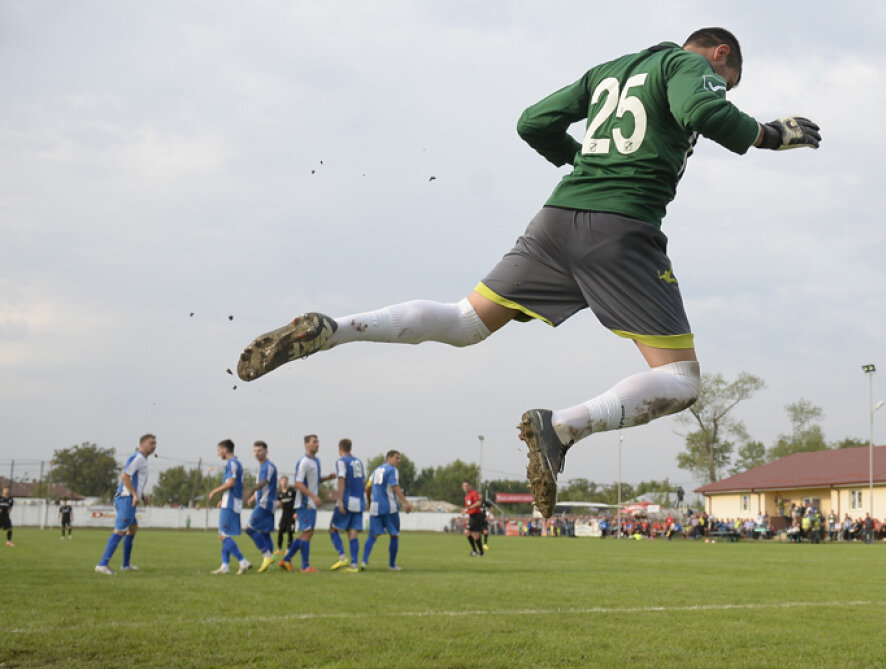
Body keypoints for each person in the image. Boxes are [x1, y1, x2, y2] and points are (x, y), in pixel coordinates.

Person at [233, 28, 821, 519]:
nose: (724, 84)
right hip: (623, 226)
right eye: (729, 75)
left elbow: (533, 121)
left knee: (465, 321)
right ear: (720, 54)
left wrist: (581, 161)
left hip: (556, 217)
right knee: (684, 380)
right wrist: (770, 134)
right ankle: (561, 428)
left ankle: (333, 329)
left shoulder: (610, 70)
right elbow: (704, 109)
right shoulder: (686, 64)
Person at [96, 433, 155, 574]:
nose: (154, 446)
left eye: (155, 443)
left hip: (130, 498)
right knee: (120, 530)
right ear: (142, 445)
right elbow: (124, 476)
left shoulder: (143, 460)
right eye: (151, 443)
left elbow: (134, 480)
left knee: (132, 528)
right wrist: (135, 494)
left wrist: (141, 495)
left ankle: (125, 564)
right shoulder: (138, 458)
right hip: (126, 499)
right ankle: (102, 565)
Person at [279, 434, 334, 572]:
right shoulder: (303, 462)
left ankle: (287, 560)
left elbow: (313, 481)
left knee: (307, 534)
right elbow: (298, 483)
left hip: (311, 503)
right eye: (314, 442)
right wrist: (313, 496)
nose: (317, 444)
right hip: (304, 503)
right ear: (306, 445)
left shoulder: (316, 461)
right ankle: (304, 566)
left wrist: (327, 478)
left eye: (318, 441)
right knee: (307, 533)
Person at [206, 439, 252, 574]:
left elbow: (231, 483)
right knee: (223, 534)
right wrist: (222, 498)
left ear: (225, 449)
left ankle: (243, 561)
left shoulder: (231, 464)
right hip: (232, 501)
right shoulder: (238, 463)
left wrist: (215, 491)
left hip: (230, 503)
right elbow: (240, 485)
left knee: (223, 535)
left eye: (219, 450)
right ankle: (225, 566)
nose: (218, 453)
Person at [363, 450, 412, 570]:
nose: (398, 461)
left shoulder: (375, 471)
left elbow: (367, 488)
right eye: (396, 458)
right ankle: (392, 565)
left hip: (375, 508)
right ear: (389, 458)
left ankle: (364, 561)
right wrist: (405, 502)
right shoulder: (392, 470)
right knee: (394, 535)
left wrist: (369, 502)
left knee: (372, 536)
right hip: (390, 508)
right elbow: (395, 486)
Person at [329, 439, 367, 572]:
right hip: (359, 500)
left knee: (333, 529)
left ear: (340, 448)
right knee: (352, 531)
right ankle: (354, 564)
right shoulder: (359, 462)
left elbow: (341, 480)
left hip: (347, 500)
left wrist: (340, 501)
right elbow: (362, 482)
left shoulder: (341, 461)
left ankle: (342, 556)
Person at [244, 440, 279, 572]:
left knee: (249, 529)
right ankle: (269, 564)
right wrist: (254, 496)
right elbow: (266, 486)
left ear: (266, 451)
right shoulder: (262, 467)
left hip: (265, 503)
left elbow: (264, 482)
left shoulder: (268, 466)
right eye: (255, 451)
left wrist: (252, 490)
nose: (257, 453)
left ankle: (267, 556)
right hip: (267, 502)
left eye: (260, 450)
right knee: (265, 533)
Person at [463, 481, 487, 556]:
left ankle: (477, 551)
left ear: (470, 486)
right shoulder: (466, 496)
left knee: (471, 533)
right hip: (472, 517)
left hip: (477, 516)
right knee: (471, 534)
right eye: (464, 486)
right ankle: (478, 551)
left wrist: (468, 508)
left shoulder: (473, 493)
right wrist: (465, 511)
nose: (465, 487)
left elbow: (478, 503)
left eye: (467, 486)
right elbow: (468, 508)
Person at [276, 475, 297, 552]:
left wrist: (296, 512)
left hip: (292, 514)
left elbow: (296, 502)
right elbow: (278, 502)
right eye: (283, 481)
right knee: (280, 530)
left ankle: (289, 548)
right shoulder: (279, 493)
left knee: (290, 532)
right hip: (284, 514)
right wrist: (278, 504)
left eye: (285, 481)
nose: (284, 482)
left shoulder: (292, 491)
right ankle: (279, 548)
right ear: (280, 482)